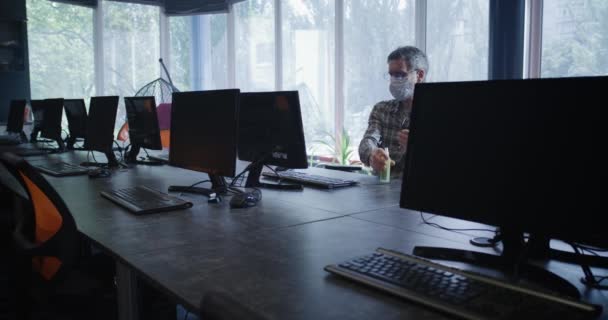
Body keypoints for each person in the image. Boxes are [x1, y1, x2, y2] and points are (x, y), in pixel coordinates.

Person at [358, 46, 428, 177]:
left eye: (400, 75)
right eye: (391, 75)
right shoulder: (381, 109)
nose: (394, 80)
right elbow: (368, 141)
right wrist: (372, 154)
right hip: (382, 191)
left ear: (419, 75)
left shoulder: (439, 114)